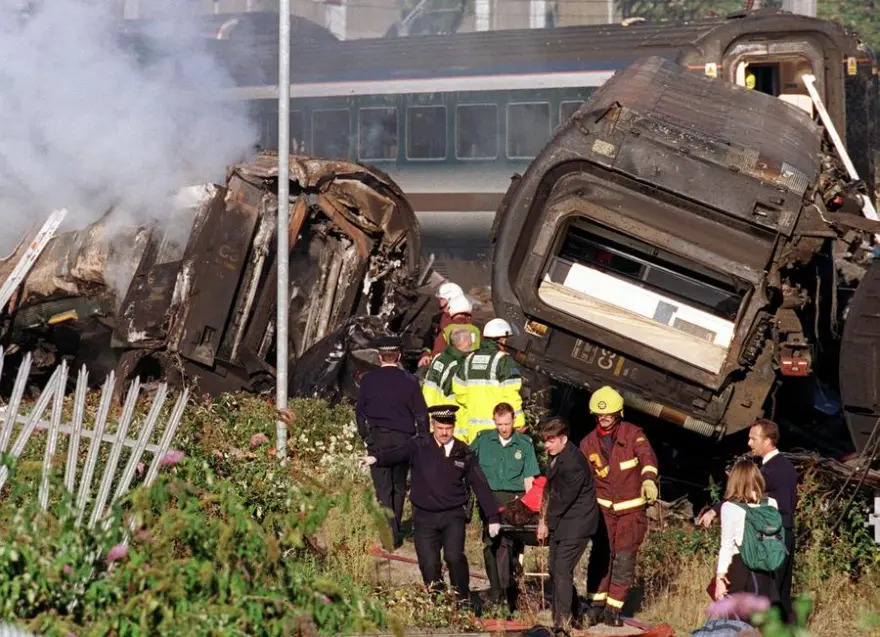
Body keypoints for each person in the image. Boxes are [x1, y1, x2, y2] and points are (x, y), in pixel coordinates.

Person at [362, 405, 500, 604]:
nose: (444, 433)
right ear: (433, 425)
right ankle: (438, 600)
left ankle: (463, 599)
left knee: (454, 557)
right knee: (428, 564)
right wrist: (376, 458)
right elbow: (397, 453)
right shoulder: (419, 445)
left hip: (453, 515)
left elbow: (480, 484)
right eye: (440, 427)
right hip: (424, 516)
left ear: (454, 427)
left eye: (448, 428)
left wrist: (493, 517)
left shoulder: (464, 452)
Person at [698, 418, 798, 619]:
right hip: (783, 537)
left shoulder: (771, 470)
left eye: (754, 439)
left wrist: (714, 511)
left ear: (768, 440)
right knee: (779, 598)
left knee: (766, 599)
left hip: (772, 539)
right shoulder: (786, 466)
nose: (749, 443)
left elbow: (740, 495)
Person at [580, 386, 659, 627]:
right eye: (600, 415)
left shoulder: (633, 434)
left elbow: (647, 458)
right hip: (603, 511)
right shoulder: (588, 444)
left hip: (631, 511)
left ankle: (613, 610)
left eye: (609, 415)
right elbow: (582, 477)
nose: (604, 419)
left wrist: (648, 480)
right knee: (601, 557)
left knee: (623, 558)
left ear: (619, 413)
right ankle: (595, 605)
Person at [355, 335, 429, 548]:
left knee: (383, 488)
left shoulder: (369, 380)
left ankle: (391, 531)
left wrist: (366, 436)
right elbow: (421, 414)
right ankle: (393, 527)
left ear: (379, 357)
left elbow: (360, 412)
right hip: (403, 440)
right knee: (398, 487)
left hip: (378, 438)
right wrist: (422, 438)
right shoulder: (411, 381)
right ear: (399, 356)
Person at [471, 402, 540, 606]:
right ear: (494, 421)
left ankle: (509, 592)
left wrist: (531, 508)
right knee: (493, 543)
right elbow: (467, 465)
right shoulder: (483, 441)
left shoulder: (524, 444)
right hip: (490, 498)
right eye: (499, 424)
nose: (503, 428)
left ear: (514, 421)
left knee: (511, 545)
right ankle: (496, 589)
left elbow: (529, 479)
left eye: (507, 424)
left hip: (515, 500)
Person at [537, 417, 599, 634]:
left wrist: (544, 522)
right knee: (555, 569)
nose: (546, 445)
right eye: (545, 440)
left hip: (578, 522)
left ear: (563, 439)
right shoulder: (556, 455)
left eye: (550, 440)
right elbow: (549, 489)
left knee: (562, 568)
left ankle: (561, 623)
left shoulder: (572, 463)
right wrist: (544, 519)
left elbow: (562, 499)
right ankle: (575, 611)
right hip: (562, 520)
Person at [713, 459, 781, 603]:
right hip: (765, 568)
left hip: (740, 566)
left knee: (736, 620)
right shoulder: (771, 503)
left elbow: (726, 546)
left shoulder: (729, 507)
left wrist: (720, 578)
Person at [452, 318, 524, 444]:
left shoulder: (468, 360)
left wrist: (476, 405)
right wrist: (518, 423)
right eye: (506, 339)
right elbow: (511, 395)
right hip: (498, 430)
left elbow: (459, 392)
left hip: (473, 430)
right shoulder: (504, 361)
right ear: (501, 339)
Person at [423, 326, 476, 438]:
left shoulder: (439, 357)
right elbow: (460, 395)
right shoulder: (459, 364)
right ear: (463, 342)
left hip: (434, 417)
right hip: (454, 423)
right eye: (470, 340)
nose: (472, 343)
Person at [418, 281, 465, 368]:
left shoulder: (464, 323)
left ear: (451, 299)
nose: (439, 302)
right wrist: (425, 355)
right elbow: (428, 339)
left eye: (441, 299)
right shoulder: (437, 319)